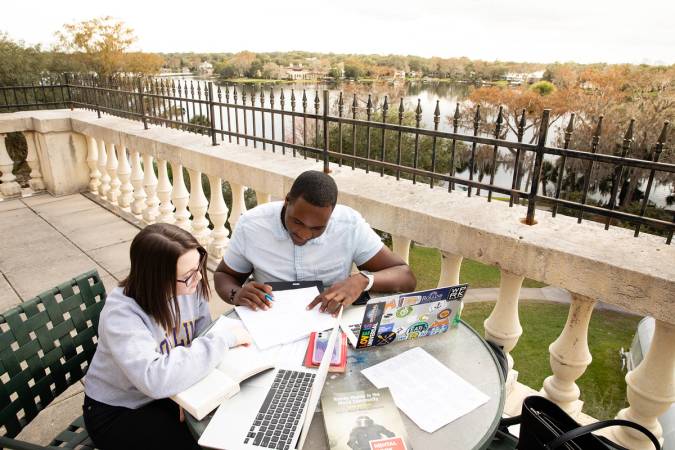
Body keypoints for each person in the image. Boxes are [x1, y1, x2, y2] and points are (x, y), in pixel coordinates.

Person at [83, 223, 251, 450]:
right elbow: (154, 378)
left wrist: (182, 392)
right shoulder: (121, 314)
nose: (199, 279)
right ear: (156, 278)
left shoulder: (189, 288)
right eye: (188, 275)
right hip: (120, 408)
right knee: (205, 443)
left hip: (165, 392)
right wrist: (224, 340)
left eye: (198, 268)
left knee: (233, 424)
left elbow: (199, 338)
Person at [214, 170, 416, 315]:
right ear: (287, 201)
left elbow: (405, 276)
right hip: (270, 319)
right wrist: (237, 294)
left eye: (317, 228)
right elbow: (224, 275)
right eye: (297, 221)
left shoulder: (349, 225)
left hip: (330, 319)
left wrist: (362, 280)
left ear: (331, 215)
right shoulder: (252, 225)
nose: (303, 234)